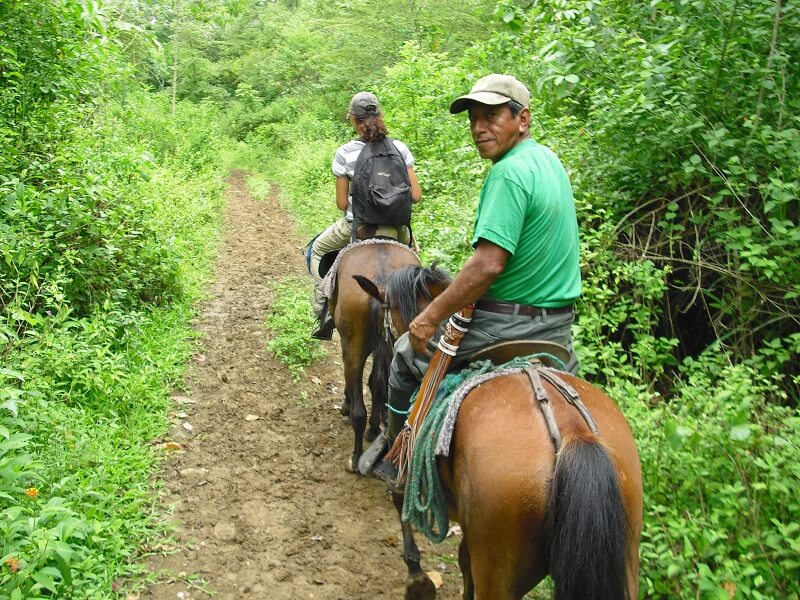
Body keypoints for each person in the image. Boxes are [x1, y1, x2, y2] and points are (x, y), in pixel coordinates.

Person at [370, 74, 582, 483]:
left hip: (502, 326)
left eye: (491, 116)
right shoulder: (549, 162)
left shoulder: (507, 173)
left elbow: (488, 264)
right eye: (473, 119)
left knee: (401, 357)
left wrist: (430, 315)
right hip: (558, 329)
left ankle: (399, 461)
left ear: (522, 119)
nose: (479, 128)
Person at [310, 91, 422, 340]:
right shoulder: (400, 149)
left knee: (315, 250)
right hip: (398, 230)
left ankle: (325, 307)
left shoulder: (345, 153)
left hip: (359, 227)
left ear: (353, 119)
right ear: (379, 116)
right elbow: (415, 195)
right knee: (417, 266)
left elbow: (341, 203)